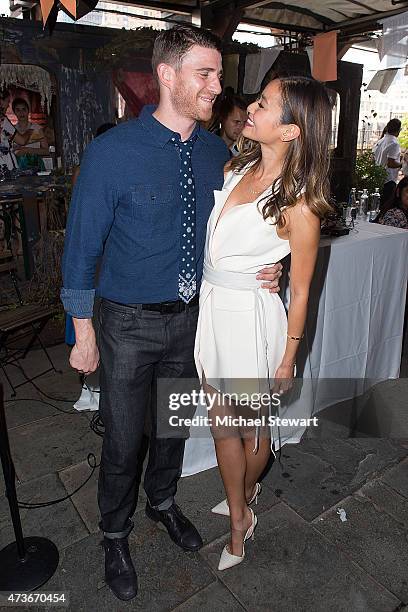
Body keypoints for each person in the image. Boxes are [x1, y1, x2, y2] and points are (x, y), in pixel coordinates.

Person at [60, 25, 281, 602]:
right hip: (127, 323)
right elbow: (81, 246)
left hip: (194, 320)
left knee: (172, 426)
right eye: (204, 74)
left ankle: (161, 503)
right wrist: (82, 329)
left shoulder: (218, 156)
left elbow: (242, 229)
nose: (217, 86)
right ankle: (114, 532)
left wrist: (267, 267)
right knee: (123, 438)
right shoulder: (113, 153)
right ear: (167, 75)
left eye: (216, 74)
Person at [194, 75, 332, 570]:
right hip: (215, 310)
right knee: (222, 425)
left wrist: (289, 357)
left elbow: (302, 289)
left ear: (292, 131)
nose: (252, 106)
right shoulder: (238, 165)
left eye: (266, 104)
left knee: (248, 432)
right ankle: (241, 499)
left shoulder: (300, 206)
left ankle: (240, 509)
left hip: (252, 321)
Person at [0, 88, 33, 171]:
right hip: (4, 163)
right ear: (1, 101)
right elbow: (22, 141)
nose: (8, 105)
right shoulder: (2, 120)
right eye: (7, 101)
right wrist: (30, 131)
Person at [373, 118, 402, 206]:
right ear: (398, 130)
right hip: (388, 180)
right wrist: (401, 164)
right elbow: (391, 163)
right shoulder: (394, 143)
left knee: (378, 206)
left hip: (378, 177)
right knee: (386, 206)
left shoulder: (381, 141)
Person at [12, 97, 50, 165]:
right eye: (18, 110)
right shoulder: (12, 129)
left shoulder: (37, 128)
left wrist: (28, 150)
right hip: (18, 165)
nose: (21, 112)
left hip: (35, 165)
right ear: (14, 112)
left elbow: (46, 151)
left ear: (28, 111)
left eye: (24, 109)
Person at [215, 91, 247, 156]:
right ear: (223, 118)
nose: (242, 128)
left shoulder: (246, 152)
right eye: (237, 122)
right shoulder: (207, 144)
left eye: (245, 123)